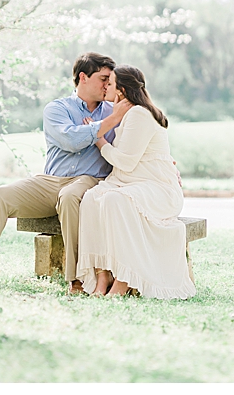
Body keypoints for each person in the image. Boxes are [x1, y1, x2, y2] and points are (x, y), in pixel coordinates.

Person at [0, 52, 128, 296]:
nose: (108, 84)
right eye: (103, 78)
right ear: (83, 77)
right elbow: (70, 139)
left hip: (89, 180)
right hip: (49, 182)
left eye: (110, 80)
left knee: (71, 196)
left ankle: (76, 280)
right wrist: (107, 123)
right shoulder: (57, 109)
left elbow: (137, 140)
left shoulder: (114, 110)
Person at [76, 65, 194, 299]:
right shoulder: (126, 114)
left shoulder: (140, 113)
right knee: (90, 199)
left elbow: (125, 162)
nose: (105, 87)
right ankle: (102, 276)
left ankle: (124, 279)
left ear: (120, 89)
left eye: (109, 83)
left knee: (114, 200)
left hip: (157, 189)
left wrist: (97, 138)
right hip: (130, 184)